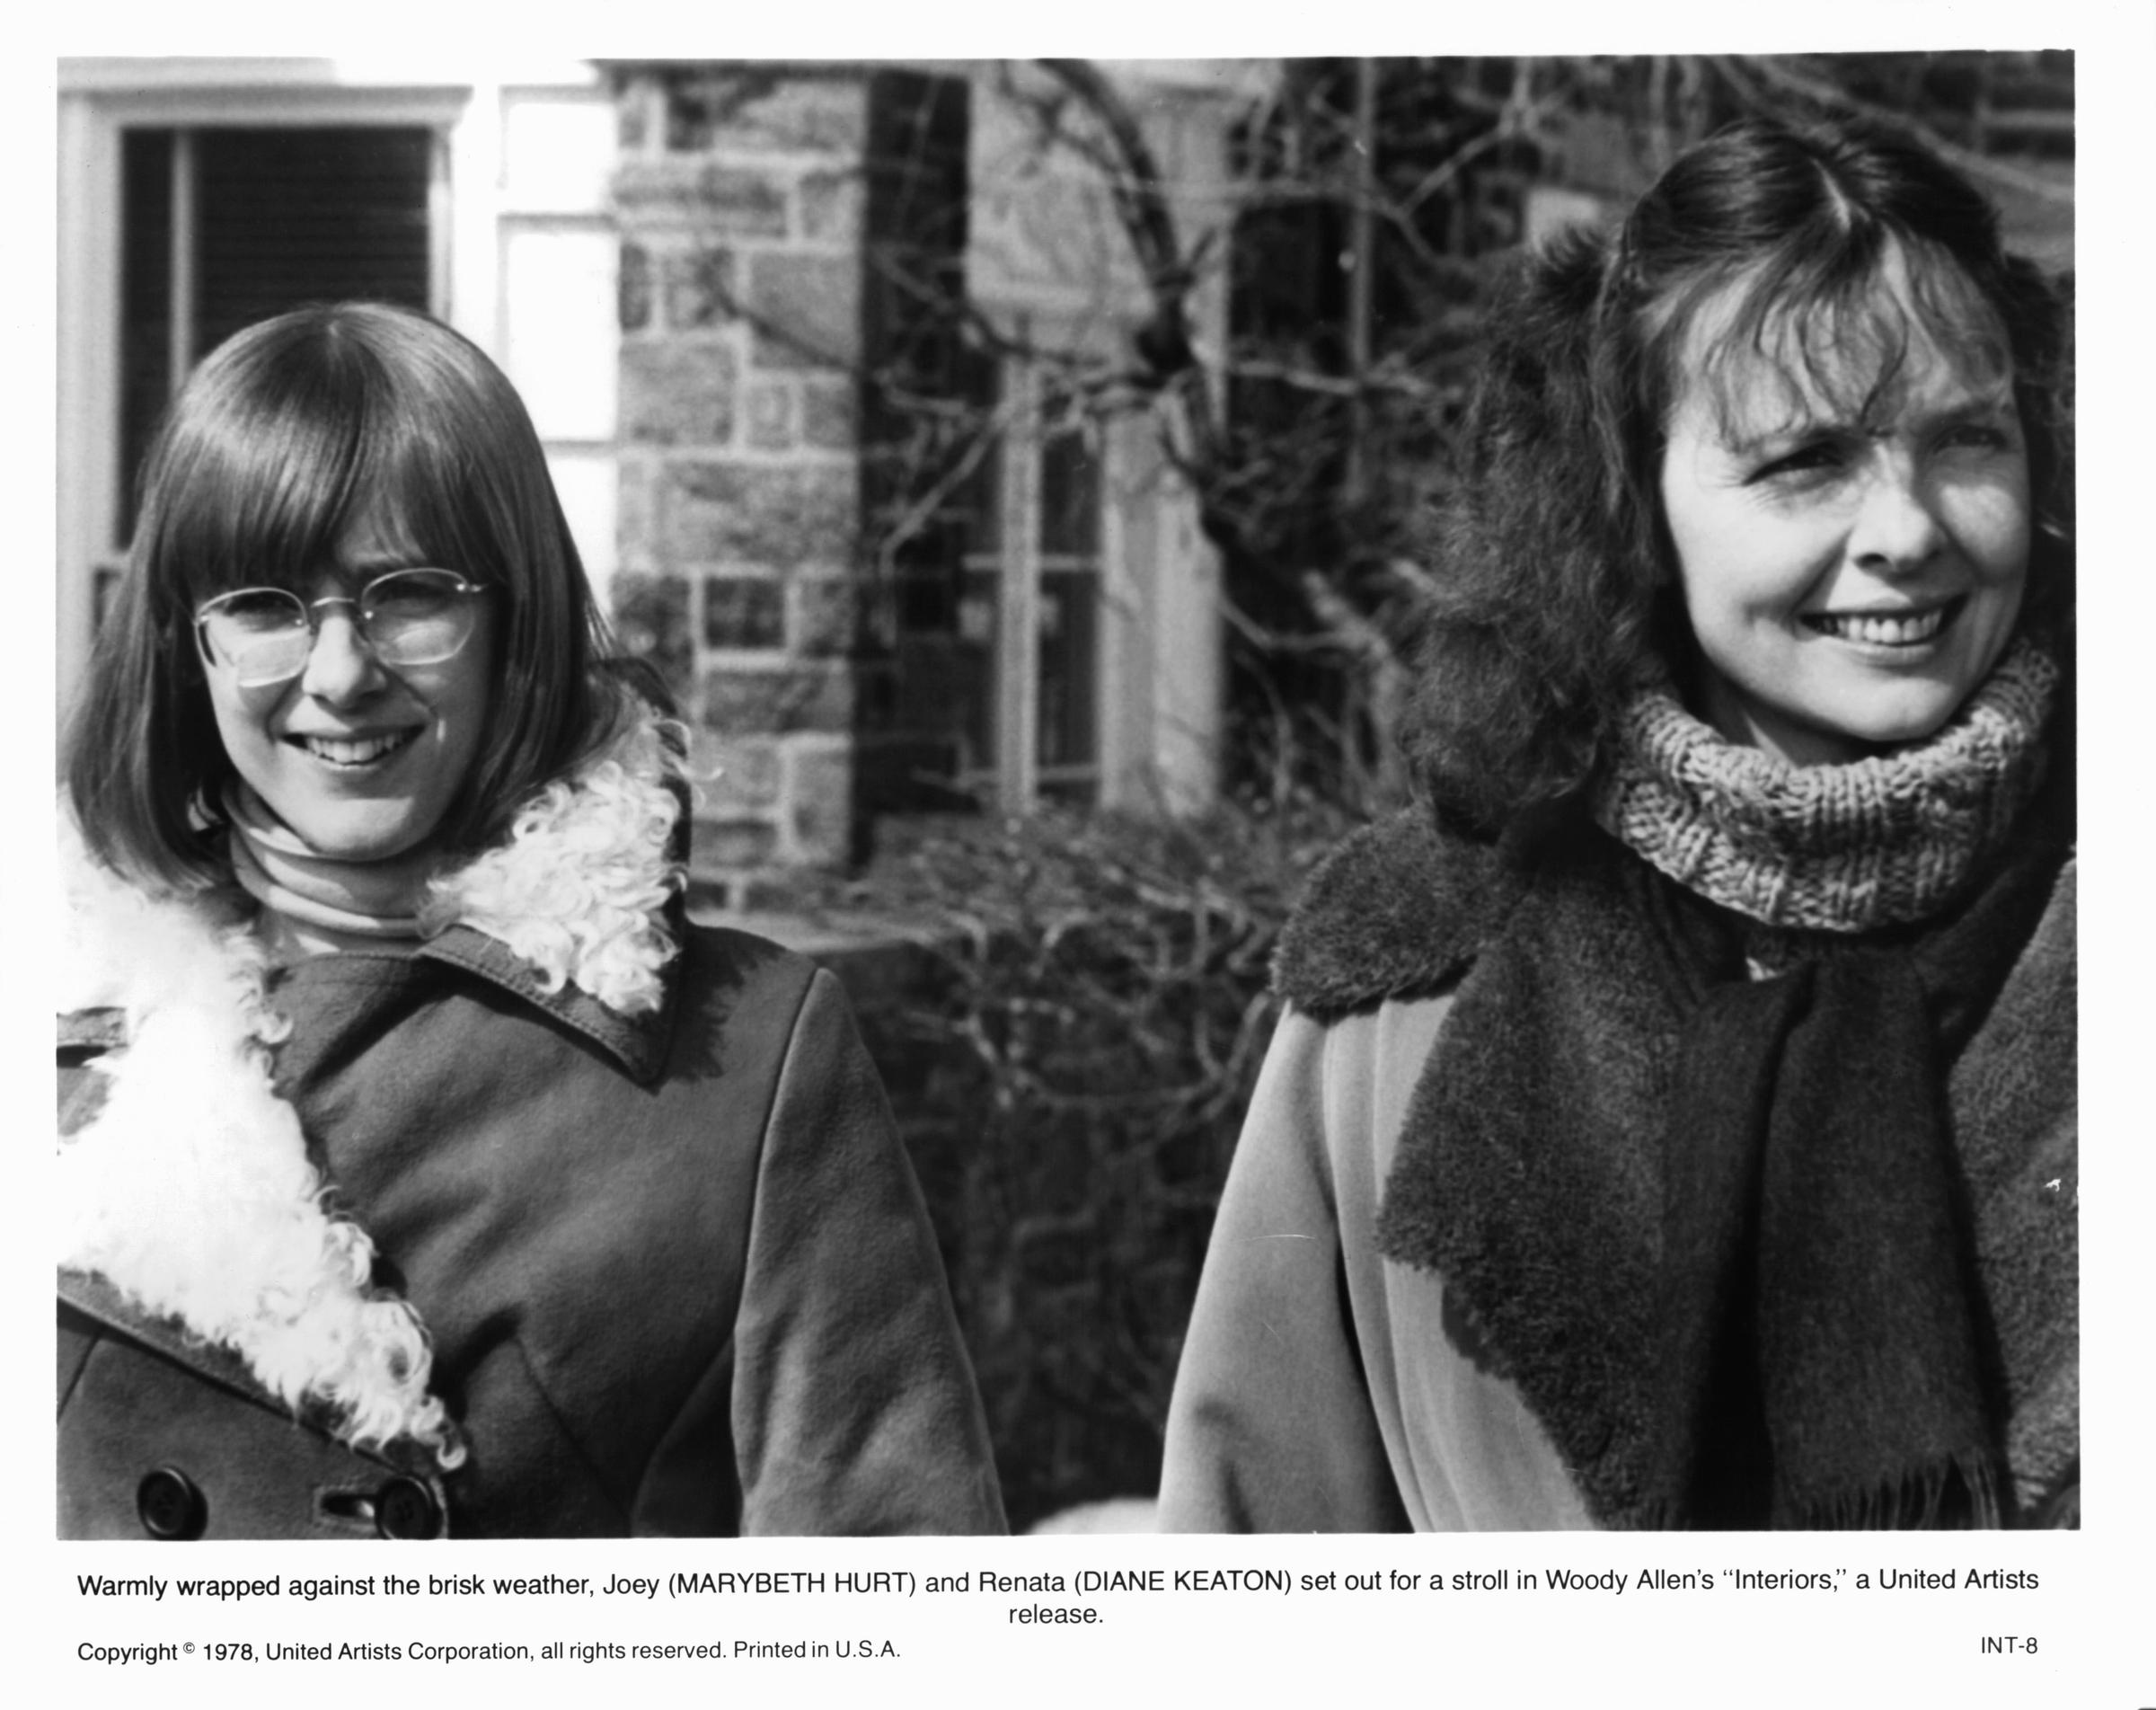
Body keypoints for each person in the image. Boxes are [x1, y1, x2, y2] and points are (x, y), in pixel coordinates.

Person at [1158, 117, 2075, 1531]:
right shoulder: (1405, 989)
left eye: (1967, 438)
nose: (1907, 527)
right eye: (1804, 461)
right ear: (1632, 501)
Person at [57, 301, 1007, 1539]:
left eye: (410, 596)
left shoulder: (748, 1059)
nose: (339, 675)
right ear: (185, 644)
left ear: (517, 619)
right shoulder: (59, 1034)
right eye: (264, 605)